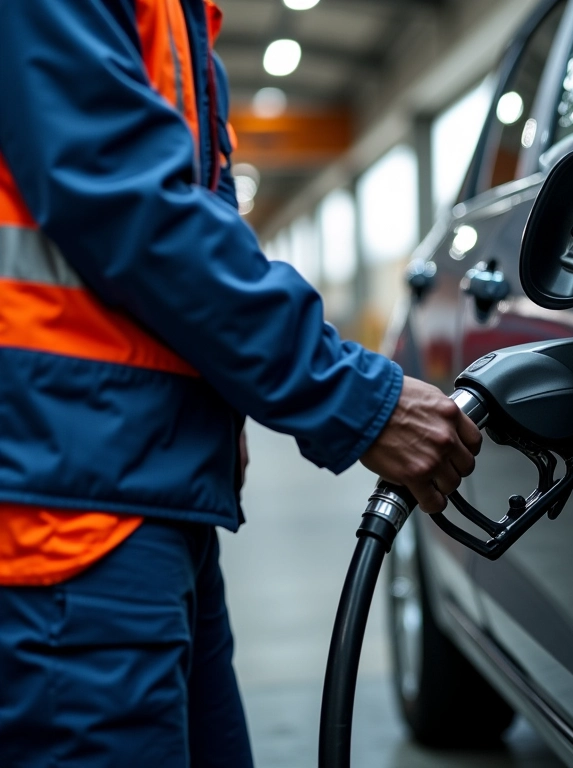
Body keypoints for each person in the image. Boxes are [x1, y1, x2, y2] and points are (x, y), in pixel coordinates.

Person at [0, 1, 482, 767]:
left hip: (139, 485)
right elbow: (134, 207)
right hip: (67, 514)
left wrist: (215, 406)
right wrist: (353, 396)